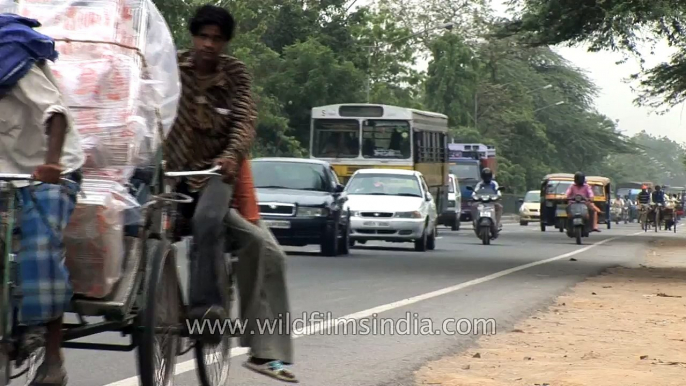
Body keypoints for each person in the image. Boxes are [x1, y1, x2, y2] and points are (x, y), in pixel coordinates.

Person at [162, 4, 297, 382]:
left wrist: (230, 155)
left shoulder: (235, 74)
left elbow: (244, 120)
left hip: (215, 174)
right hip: (170, 175)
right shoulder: (172, 67)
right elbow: (150, 107)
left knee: (248, 240)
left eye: (216, 38)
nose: (208, 44)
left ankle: (216, 318)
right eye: (202, 36)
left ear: (225, 43)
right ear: (193, 37)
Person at [0, 14, 84, 385]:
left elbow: (56, 114)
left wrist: (51, 163)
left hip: (48, 170)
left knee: (39, 243)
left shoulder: (11, 56)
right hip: (4, 177)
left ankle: (53, 358)